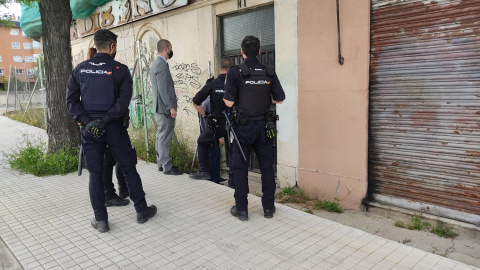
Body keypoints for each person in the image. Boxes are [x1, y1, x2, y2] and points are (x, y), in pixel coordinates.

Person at [66, 29, 157, 233]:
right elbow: (123, 103)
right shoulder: (120, 70)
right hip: (114, 127)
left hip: (90, 130)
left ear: (96, 45)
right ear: (112, 46)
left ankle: (101, 221)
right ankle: (141, 211)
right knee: (128, 168)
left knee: (95, 175)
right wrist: (105, 121)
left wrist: (88, 122)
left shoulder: (79, 69)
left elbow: (71, 102)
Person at [223, 36, 285, 221]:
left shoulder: (235, 72)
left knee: (240, 168)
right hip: (264, 126)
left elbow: (229, 101)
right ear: (259, 51)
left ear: (242, 52)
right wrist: (265, 96)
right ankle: (268, 208)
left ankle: (242, 209)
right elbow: (280, 98)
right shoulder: (268, 71)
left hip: (243, 127)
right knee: (267, 168)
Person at [87, 47, 130, 206]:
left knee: (108, 161)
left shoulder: (87, 71)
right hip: (109, 124)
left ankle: (117, 191)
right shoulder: (108, 72)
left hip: (97, 124)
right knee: (111, 160)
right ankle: (110, 194)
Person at [190, 58, 233, 182]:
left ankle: (204, 171)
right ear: (230, 70)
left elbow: (196, 101)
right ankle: (234, 179)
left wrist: (206, 115)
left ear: (219, 68)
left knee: (202, 142)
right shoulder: (235, 84)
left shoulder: (213, 84)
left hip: (217, 124)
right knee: (233, 151)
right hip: (232, 123)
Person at [150, 39, 183, 175]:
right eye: (170, 48)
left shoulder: (156, 64)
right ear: (166, 49)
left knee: (161, 135)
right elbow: (163, 89)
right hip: (164, 108)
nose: (171, 51)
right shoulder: (161, 65)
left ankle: (161, 163)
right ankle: (166, 165)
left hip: (160, 106)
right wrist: (171, 107)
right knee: (164, 136)